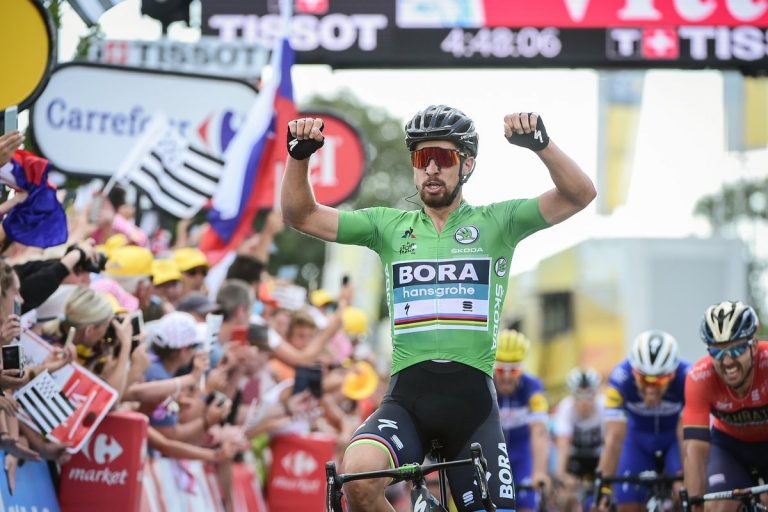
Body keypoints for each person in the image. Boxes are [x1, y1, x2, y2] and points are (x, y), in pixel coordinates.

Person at [281, 105, 596, 512]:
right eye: (420, 157)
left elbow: (580, 194)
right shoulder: (388, 226)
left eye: (443, 158)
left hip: (472, 408)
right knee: (358, 478)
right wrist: (298, 157)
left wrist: (542, 146)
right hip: (407, 399)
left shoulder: (498, 222)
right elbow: (299, 214)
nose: (430, 168)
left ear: (467, 164)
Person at [681, 301, 768, 512]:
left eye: (737, 348)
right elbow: (695, 451)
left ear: (754, 346)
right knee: (720, 507)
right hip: (730, 447)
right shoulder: (699, 377)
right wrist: (695, 506)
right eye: (717, 352)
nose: (727, 361)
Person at [594, 331, 689, 512]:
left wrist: (687, 477)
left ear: (672, 374)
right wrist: (603, 489)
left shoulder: (687, 376)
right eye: (644, 379)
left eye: (660, 380)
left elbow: (688, 436)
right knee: (627, 504)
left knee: (684, 495)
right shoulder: (620, 377)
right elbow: (613, 439)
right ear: (634, 372)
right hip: (637, 443)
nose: (651, 388)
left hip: (674, 442)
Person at [494, 330, 551, 512]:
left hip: (522, 454)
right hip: (493, 453)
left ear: (523, 369)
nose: (507, 376)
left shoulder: (533, 386)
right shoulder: (485, 385)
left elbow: (539, 431)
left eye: (514, 370)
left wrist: (540, 471)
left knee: (528, 505)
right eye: (501, 369)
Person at [553, 368, 604, 512]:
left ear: (596, 394)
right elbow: (562, 444)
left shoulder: (604, 407)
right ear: (572, 395)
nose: (584, 402)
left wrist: (606, 474)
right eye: (579, 396)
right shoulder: (566, 408)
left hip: (599, 458)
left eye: (589, 395)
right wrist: (561, 475)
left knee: (603, 498)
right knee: (565, 496)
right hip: (575, 458)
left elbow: (611, 443)